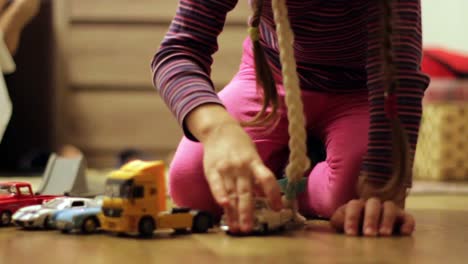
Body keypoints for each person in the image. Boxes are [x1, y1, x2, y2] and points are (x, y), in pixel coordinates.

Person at [152, 0, 430, 236]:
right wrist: (218, 130)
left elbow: (397, 76)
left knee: (357, 204)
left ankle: (296, 176)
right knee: (192, 183)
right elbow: (178, 52)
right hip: (269, 79)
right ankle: (287, 168)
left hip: (360, 90)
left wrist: (381, 191)